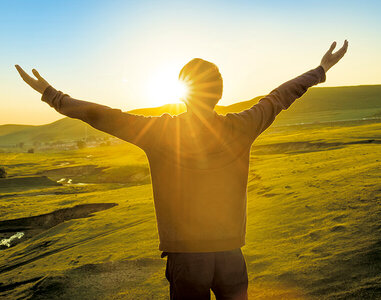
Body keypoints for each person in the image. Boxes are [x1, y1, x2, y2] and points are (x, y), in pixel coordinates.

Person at [15, 40, 348, 300]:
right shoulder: (243, 126)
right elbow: (278, 97)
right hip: (232, 255)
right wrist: (320, 69)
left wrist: (52, 95)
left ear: (184, 93)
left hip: (187, 259)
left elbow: (105, 116)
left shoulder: (162, 132)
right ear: (219, 92)